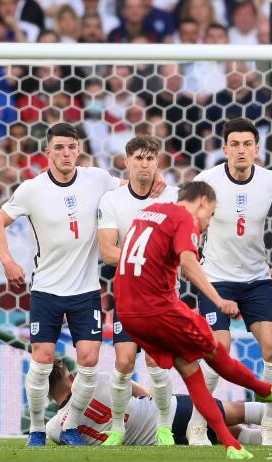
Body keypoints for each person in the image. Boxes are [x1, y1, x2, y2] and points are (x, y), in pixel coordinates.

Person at [0, 123, 163, 447]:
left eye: (71, 147)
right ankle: (37, 429)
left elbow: (130, 187)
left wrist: (153, 180)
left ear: (78, 150)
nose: (66, 153)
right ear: (48, 152)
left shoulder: (96, 178)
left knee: (90, 359)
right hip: (47, 288)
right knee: (41, 358)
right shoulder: (31, 189)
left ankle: (71, 424)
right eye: (59, 148)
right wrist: (9, 262)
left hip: (85, 289)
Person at [113, 181, 272, 460]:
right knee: (218, 355)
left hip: (129, 314)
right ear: (202, 201)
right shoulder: (184, 218)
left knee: (191, 371)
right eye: (212, 214)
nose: (208, 223)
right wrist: (218, 300)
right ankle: (266, 390)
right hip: (159, 310)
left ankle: (230, 443)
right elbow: (189, 262)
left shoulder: (148, 212)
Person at [192, 118, 272, 446]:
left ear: (257, 149)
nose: (241, 150)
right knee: (219, 350)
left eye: (247, 144)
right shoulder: (207, 181)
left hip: (257, 278)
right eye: (235, 144)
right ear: (225, 149)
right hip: (216, 279)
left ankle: (269, 427)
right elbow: (187, 224)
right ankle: (196, 426)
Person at [96, 135, 179, 446]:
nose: (144, 164)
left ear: (157, 163)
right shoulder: (112, 200)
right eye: (138, 158)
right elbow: (107, 250)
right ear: (126, 161)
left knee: (158, 362)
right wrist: (149, 257)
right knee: (123, 363)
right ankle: (117, 428)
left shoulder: (172, 197)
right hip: (129, 293)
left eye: (150, 159)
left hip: (163, 294)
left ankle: (164, 429)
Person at [44, 359, 272, 446]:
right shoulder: (94, 379)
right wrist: (155, 397)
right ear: (70, 377)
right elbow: (135, 389)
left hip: (152, 444)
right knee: (230, 413)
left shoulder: (55, 428)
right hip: (163, 414)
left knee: (232, 434)